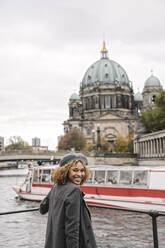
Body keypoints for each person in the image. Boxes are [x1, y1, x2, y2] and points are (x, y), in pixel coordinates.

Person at [40, 153, 97, 248]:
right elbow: (72, 230)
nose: (79, 174)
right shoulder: (74, 190)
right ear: (65, 171)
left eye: (82, 170)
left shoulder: (55, 187)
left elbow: (42, 209)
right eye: (75, 170)